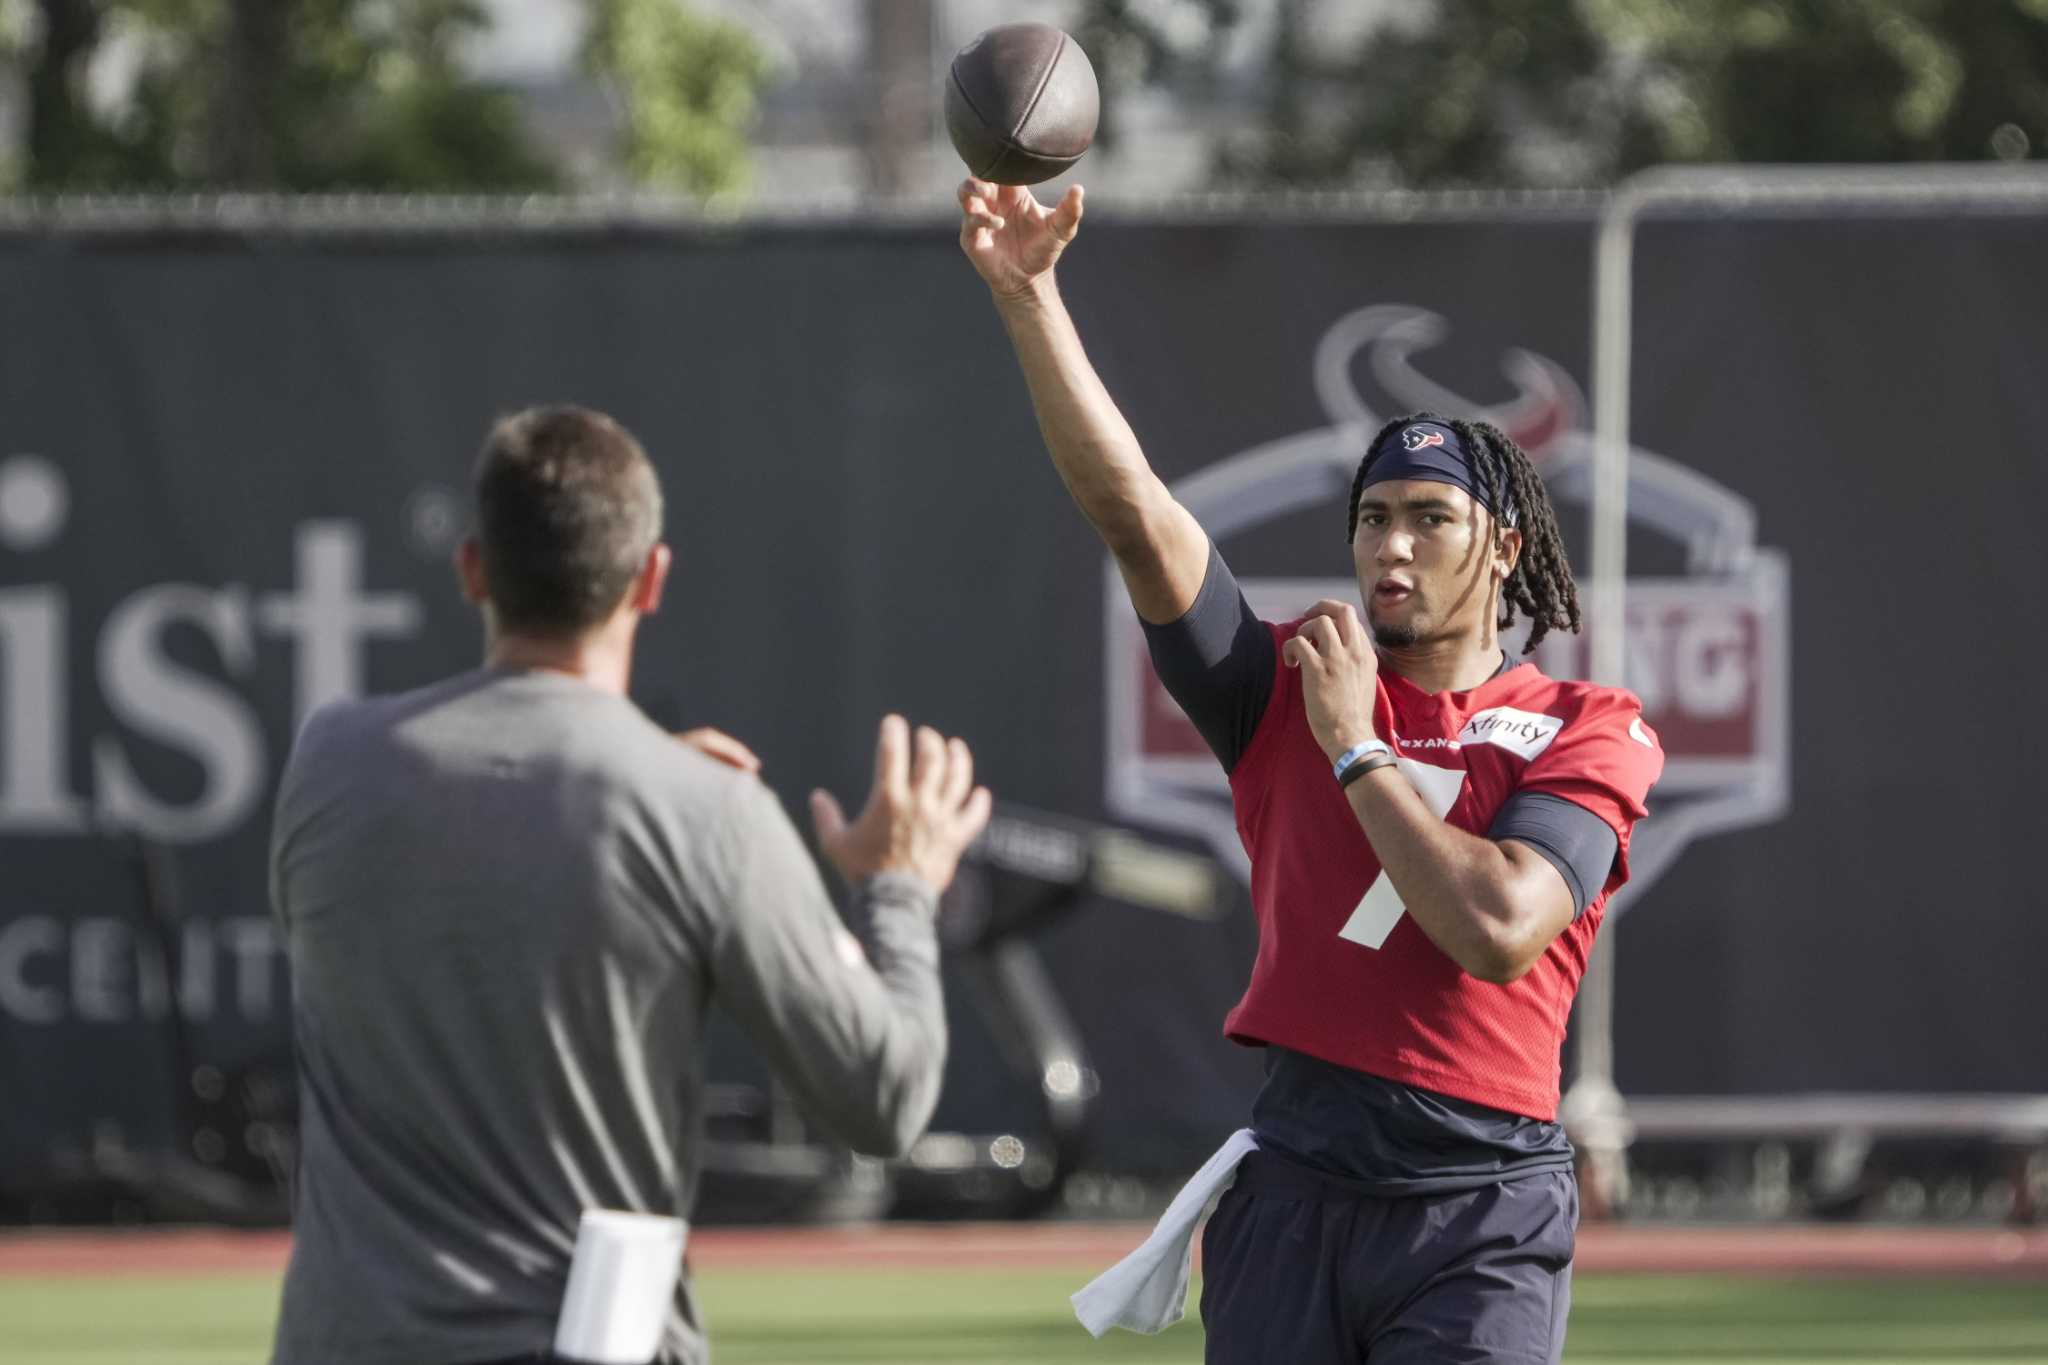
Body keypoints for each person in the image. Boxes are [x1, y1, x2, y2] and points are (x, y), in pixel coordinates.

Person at [956, 179, 1662, 1364]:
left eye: (1427, 517)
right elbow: (1133, 512)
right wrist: (1028, 297)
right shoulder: (1284, 679)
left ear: (1505, 545)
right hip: (1295, 1185)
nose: (1389, 545)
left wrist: (1358, 748)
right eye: (1371, 515)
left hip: (1477, 1203)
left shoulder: (1587, 721)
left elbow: (1498, 924)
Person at [267, 405, 991, 1365]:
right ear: (651, 579)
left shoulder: (328, 764)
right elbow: (885, 1097)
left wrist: (654, 796)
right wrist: (900, 887)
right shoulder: (706, 812)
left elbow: (492, 862)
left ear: (474, 567)